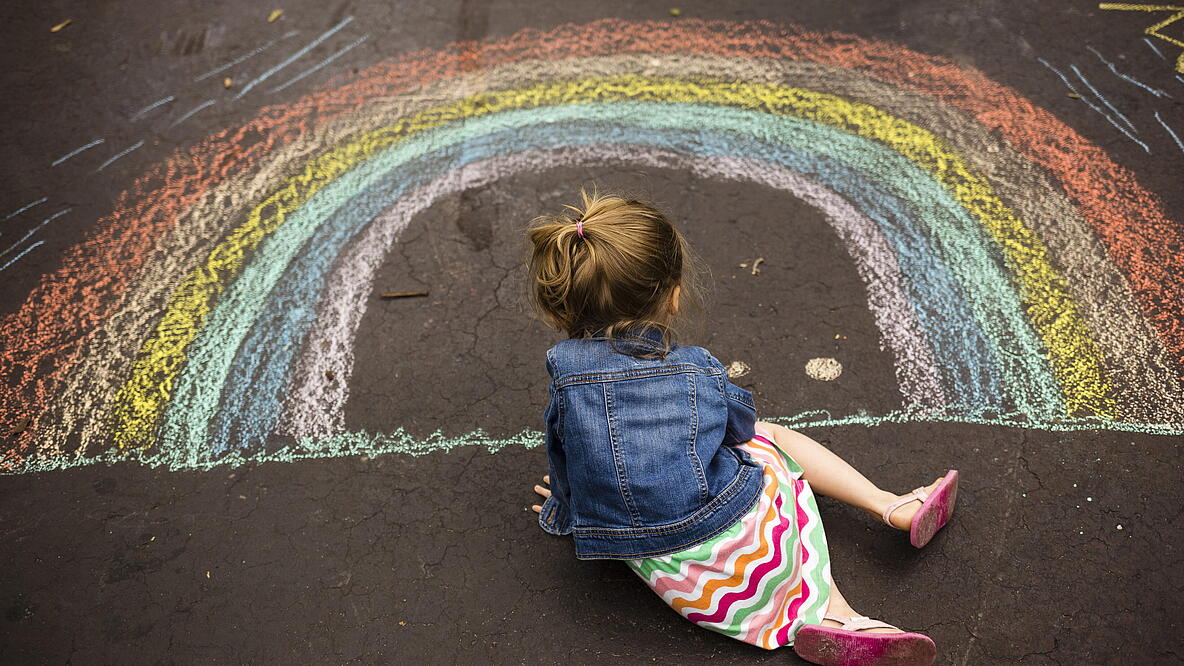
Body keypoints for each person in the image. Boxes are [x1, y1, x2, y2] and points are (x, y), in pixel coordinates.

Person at [525, 190, 958, 666]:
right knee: (769, 442)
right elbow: (739, 425)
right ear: (672, 297)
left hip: (670, 573)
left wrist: (567, 511)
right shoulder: (694, 370)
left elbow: (561, 450)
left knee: (732, 492)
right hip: (729, 528)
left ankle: (835, 618)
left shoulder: (567, 377)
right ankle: (874, 540)